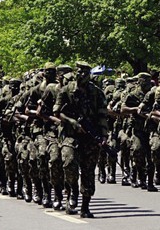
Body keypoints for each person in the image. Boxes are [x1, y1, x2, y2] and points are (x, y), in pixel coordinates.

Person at [54, 61, 108, 218]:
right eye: (79, 72)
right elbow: (57, 112)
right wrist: (72, 122)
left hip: (90, 138)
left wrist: (104, 136)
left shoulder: (97, 93)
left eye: (84, 72)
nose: (81, 75)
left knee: (88, 172)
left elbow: (102, 116)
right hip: (70, 135)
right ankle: (72, 190)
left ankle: (85, 206)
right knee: (69, 164)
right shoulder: (66, 90)